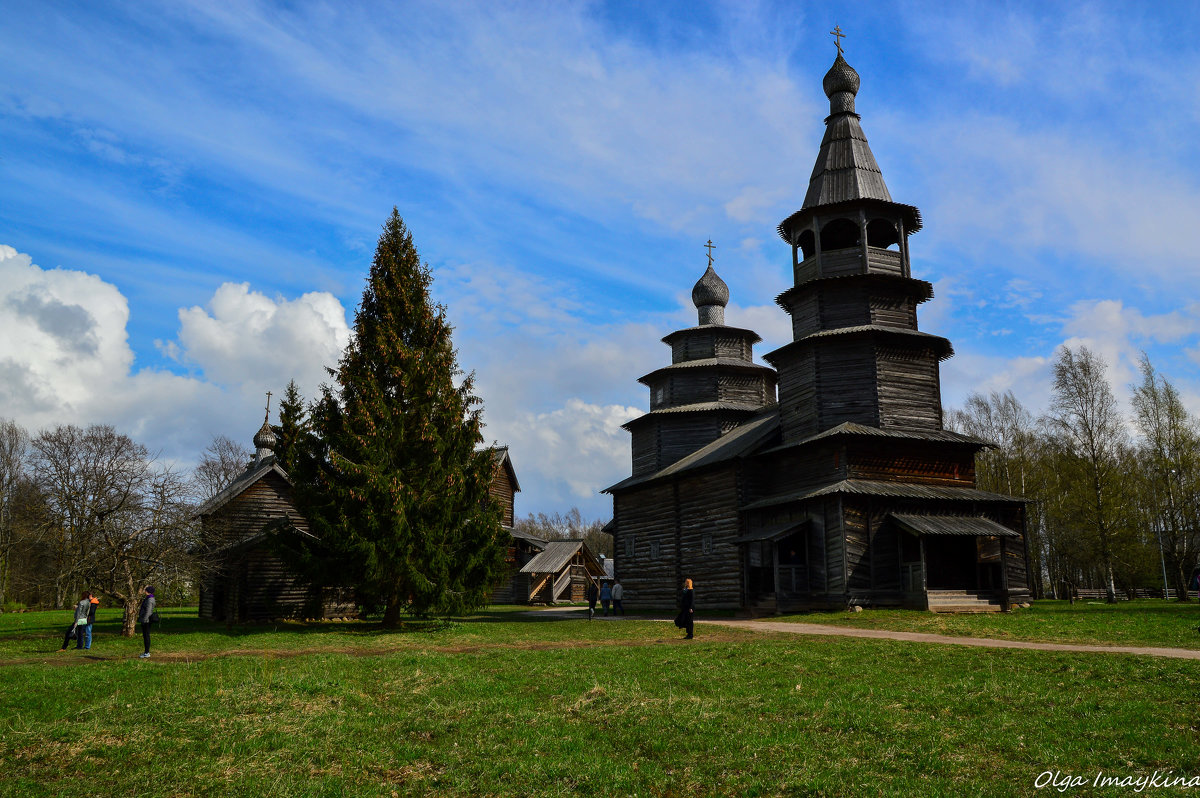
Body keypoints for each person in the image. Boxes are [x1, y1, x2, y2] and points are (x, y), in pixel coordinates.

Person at [137, 586, 157, 658]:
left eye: (145, 590)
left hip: (147, 621)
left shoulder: (150, 599)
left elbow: (148, 612)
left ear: (148, 591)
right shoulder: (148, 598)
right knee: (145, 636)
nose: (144, 591)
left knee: (146, 636)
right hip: (146, 620)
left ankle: (147, 652)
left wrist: (144, 620)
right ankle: (146, 652)